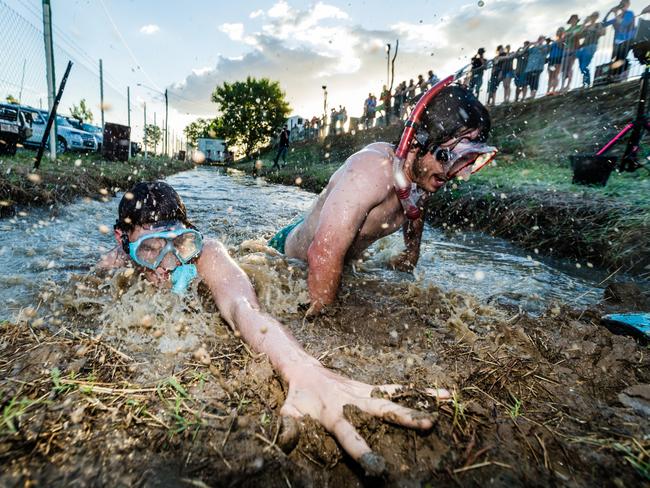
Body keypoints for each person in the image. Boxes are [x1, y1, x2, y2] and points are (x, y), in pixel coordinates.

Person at [98, 181, 450, 475]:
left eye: (179, 246)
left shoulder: (206, 255)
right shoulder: (113, 265)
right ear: (122, 240)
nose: (166, 266)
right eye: (149, 252)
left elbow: (243, 307)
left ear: (191, 239)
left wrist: (303, 368)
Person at [267, 84, 495, 314]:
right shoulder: (371, 172)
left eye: (467, 161)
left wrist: (411, 254)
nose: (455, 173)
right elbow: (322, 253)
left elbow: (416, 213)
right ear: (418, 141)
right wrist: (325, 320)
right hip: (286, 256)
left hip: (337, 260)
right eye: (450, 158)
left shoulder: (422, 179)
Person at [603, 0, 637, 79]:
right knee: (618, 59)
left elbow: (623, 23)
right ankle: (614, 76)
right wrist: (609, 13)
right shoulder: (617, 17)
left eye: (624, 3)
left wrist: (615, 14)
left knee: (621, 58)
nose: (622, 5)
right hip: (618, 42)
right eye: (621, 3)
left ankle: (621, 75)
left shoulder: (629, 13)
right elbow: (604, 24)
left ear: (628, 5)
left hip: (628, 39)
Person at [577, 12, 605, 87]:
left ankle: (586, 82)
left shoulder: (598, 24)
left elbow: (602, 33)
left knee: (584, 65)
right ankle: (585, 81)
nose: (593, 17)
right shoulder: (587, 26)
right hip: (584, 47)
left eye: (595, 16)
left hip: (592, 46)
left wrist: (594, 30)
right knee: (581, 66)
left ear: (597, 17)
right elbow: (579, 33)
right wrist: (584, 23)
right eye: (592, 16)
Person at [561, 15, 581, 92]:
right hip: (566, 50)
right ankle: (562, 86)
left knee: (569, 68)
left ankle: (568, 85)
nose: (573, 20)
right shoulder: (567, 30)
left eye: (574, 19)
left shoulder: (579, 26)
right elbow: (563, 38)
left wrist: (570, 34)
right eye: (572, 19)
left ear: (576, 20)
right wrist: (568, 35)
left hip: (574, 49)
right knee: (564, 69)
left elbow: (578, 33)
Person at [547, 28, 566, 95]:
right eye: (558, 31)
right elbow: (549, 50)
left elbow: (561, 47)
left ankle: (554, 90)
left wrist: (558, 41)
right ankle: (548, 90)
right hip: (551, 59)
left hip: (558, 59)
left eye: (560, 32)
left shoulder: (563, 40)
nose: (558, 33)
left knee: (555, 75)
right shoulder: (554, 41)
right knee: (550, 76)